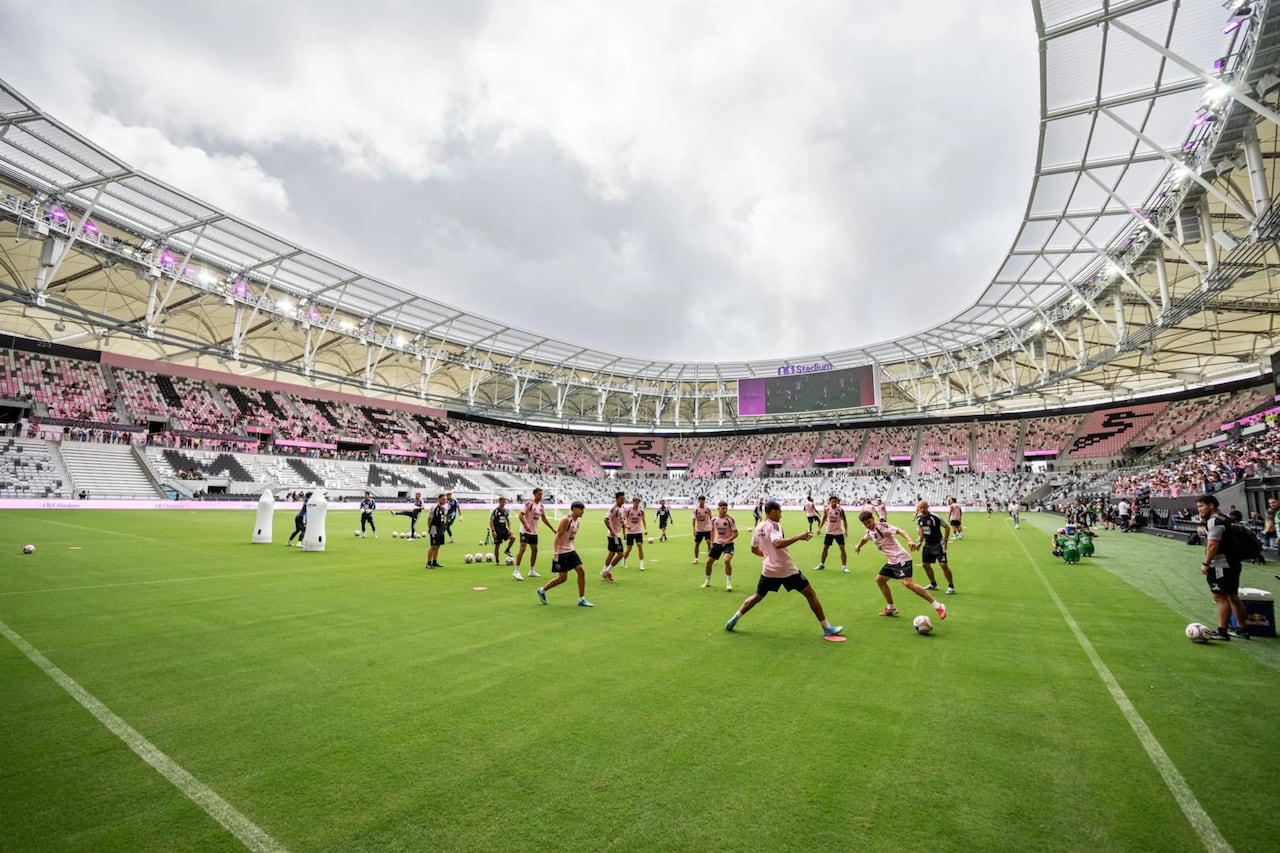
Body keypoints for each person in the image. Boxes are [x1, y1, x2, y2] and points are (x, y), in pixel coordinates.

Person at [724, 500, 843, 637]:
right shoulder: (775, 525)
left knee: (757, 596)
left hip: (768, 570)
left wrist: (767, 556)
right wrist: (799, 537)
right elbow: (777, 543)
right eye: (780, 511)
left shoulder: (759, 527)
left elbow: (753, 549)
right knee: (810, 593)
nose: (781, 514)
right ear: (772, 512)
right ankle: (827, 628)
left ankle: (734, 619)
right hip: (786, 569)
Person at [855, 510, 947, 621]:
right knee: (880, 580)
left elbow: (900, 531)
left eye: (869, 522)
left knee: (907, 583)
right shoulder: (870, 532)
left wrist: (910, 540)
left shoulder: (882, 526)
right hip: (892, 561)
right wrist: (858, 546)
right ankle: (891, 608)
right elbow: (865, 538)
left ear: (873, 518)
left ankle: (938, 605)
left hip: (901, 558)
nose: (868, 525)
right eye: (865, 524)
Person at [1197, 494, 1251, 641]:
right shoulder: (1224, 518)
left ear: (1211, 506)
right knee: (1233, 596)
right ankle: (1242, 629)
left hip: (1221, 563)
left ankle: (1222, 631)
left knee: (1220, 597)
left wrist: (1206, 563)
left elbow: (1213, 544)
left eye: (1201, 506)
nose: (1199, 509)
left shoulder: (1214, 521)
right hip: (1232, 562)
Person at [535, 501, 594, 607]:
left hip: (571, 550)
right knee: (562, 578)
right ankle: (542, 590)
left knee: (581, 571)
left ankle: (582, 599)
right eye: (581, 509)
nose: (582, 512)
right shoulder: (566, 520)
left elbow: (571, 538)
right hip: (561, 552)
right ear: (574, 509)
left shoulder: (577, 523)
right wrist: (556, 553)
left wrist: (573, 549)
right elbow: (557, 536)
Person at [513, 488, 557, 581]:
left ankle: (531, 570)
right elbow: (521, 515)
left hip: (534, 531)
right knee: (523, 548)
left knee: (535, 550)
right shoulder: (529, 504)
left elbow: (544, 519)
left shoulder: (541, 506)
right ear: (535, 494)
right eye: (539, 494)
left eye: (542, 494)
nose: (541, 496)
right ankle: (516, 571)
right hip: (525, 530)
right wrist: (526, 524)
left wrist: (552, 528)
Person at [914, 500, 954, 594]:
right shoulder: (919, 518)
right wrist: (920, 541)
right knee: (925, 565)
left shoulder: (935, 517)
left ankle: (951, 586)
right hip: (927, 545)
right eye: (921, 508)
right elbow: (921, 529)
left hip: (938, 544)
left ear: (928, 507)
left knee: (943, 565)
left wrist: (945, 540)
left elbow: (947, 527)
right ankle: (933, 584)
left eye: (924, 507)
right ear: (918, 509)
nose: (923, 509)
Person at [703, 500, 737, 591]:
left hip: (728, 544)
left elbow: (736, 533)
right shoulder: (714, 519)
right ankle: (707, 580)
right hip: (717, 543)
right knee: (708, 562)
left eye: (726, 508)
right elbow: (712, 530)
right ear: (718, 508)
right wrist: (711, 543)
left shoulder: (730, 519)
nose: (725, 510)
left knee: (726, 560)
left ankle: (728, 582)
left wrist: (727, 540)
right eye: (723, 508)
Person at [814, 495, 849, 573]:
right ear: (829, 502)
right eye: (832, 501)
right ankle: (821, 564)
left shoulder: (840, 510)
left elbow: (845, 520)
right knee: (825, 548)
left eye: (835, 501)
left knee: (842, 548)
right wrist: (819, 528)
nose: (834, 503)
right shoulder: (827, 509)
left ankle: (844, 567)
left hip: (839, 532)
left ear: (837, 502)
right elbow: (823, 518)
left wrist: (846, 530)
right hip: (829, 532)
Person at [601, 491, 626, 581]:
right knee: (620, 554)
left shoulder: (622, 508)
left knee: (611, 553)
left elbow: (621, 518)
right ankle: (607, 571)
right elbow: (605, 519)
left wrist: (623, 522)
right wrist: (611, 530)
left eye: (624, 498)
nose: (623, 500)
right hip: (614, 535)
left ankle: (604, 570)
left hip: (616, 534)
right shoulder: (613, 508)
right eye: (621, 499)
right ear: (617, 499)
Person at [621, 496, 648, 570]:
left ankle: (641, 564)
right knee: (629, 549)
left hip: (638, 531)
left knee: (640, 546)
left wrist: (645, 529)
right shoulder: (628, 510)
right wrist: (626, 525)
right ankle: (624, 560)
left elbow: (643, 520)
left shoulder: (641, 511)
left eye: (638, 502)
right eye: (635, 502)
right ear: (633, 502)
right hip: (630, 532)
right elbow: (622, 519)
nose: (637, 503)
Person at [425, 494, 448, 569]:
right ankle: (428, 563)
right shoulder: (434, 507)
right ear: (439, 499)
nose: (445, 501)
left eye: (445, 499)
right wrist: (430, 528)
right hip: (434, 529)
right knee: (433, 546)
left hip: (440, 529)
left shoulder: (443, 508)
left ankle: (434, 562)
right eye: (443, 499)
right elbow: (429, 518)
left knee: (438, 546)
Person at [692, 496, 714, 564]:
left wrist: (712, 527)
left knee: (708, 542)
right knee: (697, 544)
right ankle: (696, 559)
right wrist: (694, 530)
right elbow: (693, 520)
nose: (701, 501)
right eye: (700, 500)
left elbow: (711, 518)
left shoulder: (707, 509)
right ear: (698, 501)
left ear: (704, 501)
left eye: (703, 500)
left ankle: (710, 558)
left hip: (707, 529)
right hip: (699, 530)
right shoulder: (695, 509)